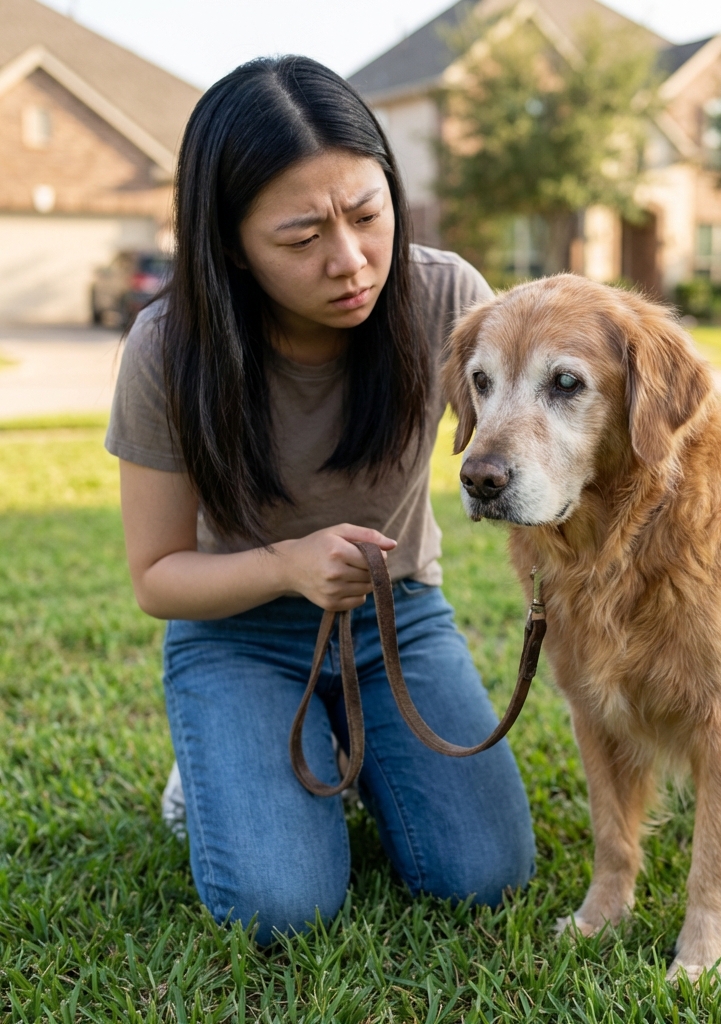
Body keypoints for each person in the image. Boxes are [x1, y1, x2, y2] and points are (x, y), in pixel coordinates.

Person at [105, 56, 535, 944]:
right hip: (239, 636)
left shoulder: (448, 296)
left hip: (398, 619)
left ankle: (357, 741)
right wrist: (286, 565)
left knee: (487, 876)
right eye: (301, 238)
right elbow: (156, 578)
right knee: (282, 907)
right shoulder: (167, 348)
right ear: (228, 243)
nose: (350, 262)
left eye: (368, 215)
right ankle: (226, 757)